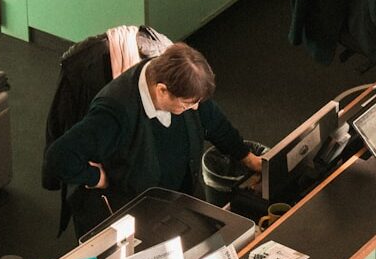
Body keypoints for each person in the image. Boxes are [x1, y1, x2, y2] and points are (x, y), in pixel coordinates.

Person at [43, 42, 262, 237]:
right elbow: (58, 157)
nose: (195, 108)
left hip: (172, 199)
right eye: (188, 104)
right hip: (131, 212)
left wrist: (247, 157)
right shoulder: (115, 112)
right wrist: (97, 178)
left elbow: (214, 123)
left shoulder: (179, 83)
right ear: (162, 90)